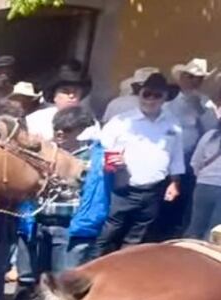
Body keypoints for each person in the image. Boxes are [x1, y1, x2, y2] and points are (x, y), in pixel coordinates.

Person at [98, 72, 184, 254]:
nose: (151, 99)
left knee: (137, 236)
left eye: (157, 95)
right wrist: (112, 163)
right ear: (139, 94)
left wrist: (175, 182)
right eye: (147, 94)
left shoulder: (173, 124)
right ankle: (93, 265)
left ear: (165, 98)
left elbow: (176, 156)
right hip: (122, 187)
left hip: (154, 189)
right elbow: (100, 150)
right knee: (108, 232)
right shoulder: (121, 122)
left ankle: (124, 268)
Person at [22, 105, 109, 273]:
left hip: (70, 228)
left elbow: (96, 194)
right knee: (41, 280)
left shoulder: (94, 157)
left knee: (64, 281)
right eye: (56, 129)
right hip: (41, 224)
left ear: (82, 130)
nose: (60, 133)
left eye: (67, 130)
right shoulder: (46, 153)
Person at [161, 58, 219, 238]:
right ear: (182, 78)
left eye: (198, 78)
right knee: (164, 207)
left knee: (190, 213)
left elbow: (212, 133)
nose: (194, 81)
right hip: (171, 163)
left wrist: (200, 111)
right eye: (190, 76)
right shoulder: (169, 104)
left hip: (196, 166)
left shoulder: (207, 104)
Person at [26, 65, 94, 140]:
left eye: (75, 91)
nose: (71, 95)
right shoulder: (35, 120)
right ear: (54, 96)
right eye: (65, 91)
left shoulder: (90, 125)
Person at [187, 127, 221, 240]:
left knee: (196, 226)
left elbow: (195, 162)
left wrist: (203, 176)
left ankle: (189, 248)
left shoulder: (210, 135)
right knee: (216, 230)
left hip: (204, 185)